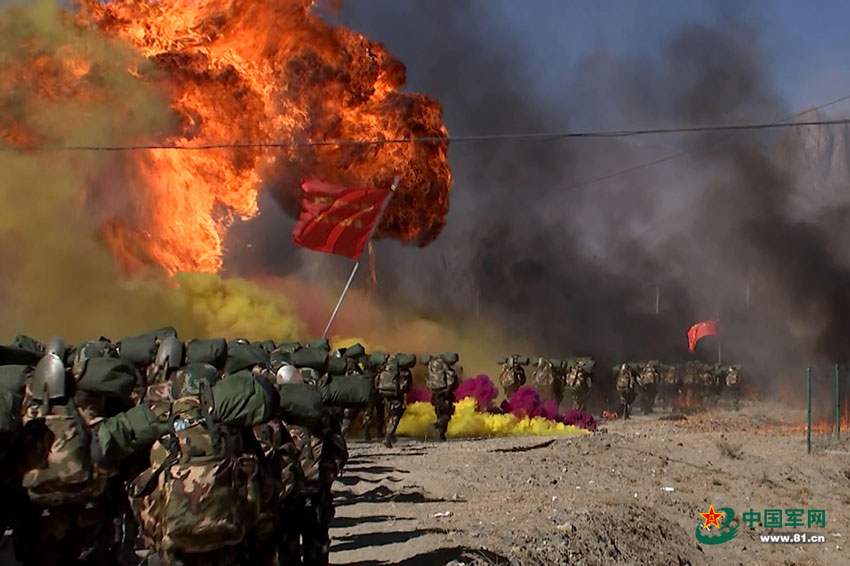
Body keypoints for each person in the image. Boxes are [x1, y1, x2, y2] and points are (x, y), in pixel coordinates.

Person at [425, 353, 460, 441]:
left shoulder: (430, 365)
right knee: (446, 414)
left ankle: (441, 436)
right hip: (445, 393)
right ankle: (436, 425)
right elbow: (451, 379)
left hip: (435, 393)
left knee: (440, 413)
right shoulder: (445, 365)